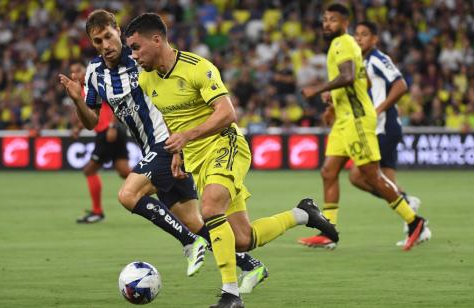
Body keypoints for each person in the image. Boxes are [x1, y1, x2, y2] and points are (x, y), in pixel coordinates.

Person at [125, 13, 338, 308]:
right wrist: (178, 152)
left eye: (136, 48)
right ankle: (303, 214)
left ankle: (231, 294)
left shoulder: (197, 68)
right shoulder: (147, 79)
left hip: (226, 144)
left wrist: (188, 136)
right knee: (241, 239)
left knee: (210, 208)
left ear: (157, 40)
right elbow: (170, 116)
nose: (133, 56)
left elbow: (227, 113)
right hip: (197, 159)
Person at [59, 11, 267, 289]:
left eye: (108, 37)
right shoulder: (95, 73)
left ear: (118, 31)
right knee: (194, 221)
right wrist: (77, 101)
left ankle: (190, 244)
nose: (105, 45)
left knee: (128, 194)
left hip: (168, 142)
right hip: (152, 150)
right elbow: (91, 122)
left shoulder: (142, 61)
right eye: (97, 41)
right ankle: (251, 265)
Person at [300, 4, 430, 252]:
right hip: (343, 119)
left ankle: (415, 223)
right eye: (325, 20)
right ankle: (329, 231)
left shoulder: (345, 43)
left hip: (357, 120)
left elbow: (348, 76)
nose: (327, 24)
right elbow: (363, 79)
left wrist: (317, 90)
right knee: (329, 172)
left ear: (345, 22)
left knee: (371, 176)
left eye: (333, 20)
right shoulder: (341, 46)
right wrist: (333, 101)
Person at [68, 60, 131, 224]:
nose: (74, 75)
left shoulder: (95, 82)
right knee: (124, 172)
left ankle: (97, 212)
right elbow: (90, 114)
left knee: (89, 170)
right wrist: (78, 128)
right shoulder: (81, 90)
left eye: (77, 70)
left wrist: (112, 125)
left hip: (108, 132)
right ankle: (161, 186)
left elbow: (112, 103)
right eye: (72, 72)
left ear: (84, 71)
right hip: (109, 132)